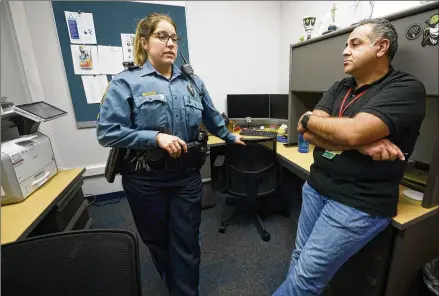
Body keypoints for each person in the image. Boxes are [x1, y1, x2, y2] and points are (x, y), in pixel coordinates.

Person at [274, 18, 426, 296]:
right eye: (346, 45)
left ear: (381, 47)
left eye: (354, 44)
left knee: (306, 279)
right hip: (316, 187)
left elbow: (350, 132)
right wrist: (359, 144)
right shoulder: (340, 87)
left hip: (357, 202)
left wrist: (343, 134)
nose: (345, 51)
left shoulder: (405, 88)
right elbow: (305, 130)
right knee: (299, 257)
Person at [96, 13, 244, 296]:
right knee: (158, 241)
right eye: (161, 36)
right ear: (144, 41)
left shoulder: (193, 82)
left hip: (186, 177)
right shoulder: (126, 82)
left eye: (174, 38)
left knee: (187, 242)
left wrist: (229, 136)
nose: (170, 43)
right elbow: (107, 132)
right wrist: (155, 138)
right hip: (144, 180)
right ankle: (173, 283)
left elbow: (212, 117)